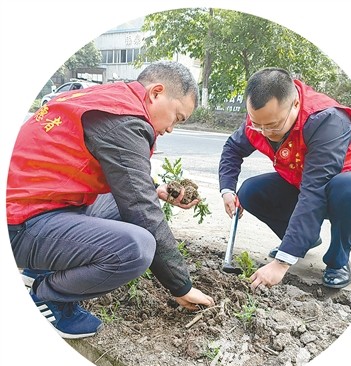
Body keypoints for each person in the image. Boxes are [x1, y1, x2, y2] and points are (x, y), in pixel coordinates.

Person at [7, 61, 214, 339]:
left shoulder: (110, 99)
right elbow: (142, 211)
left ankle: (38, 269)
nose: (171, 128)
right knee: (138, 248)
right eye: (177, 117)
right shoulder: (125, 120)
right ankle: (48, 298)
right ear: (156, 93)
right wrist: (181, 286)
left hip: (33, 203)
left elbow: (126, 180)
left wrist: (155, 189)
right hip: (18, 223)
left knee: (122, 201)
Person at [219, 67, 351, 291]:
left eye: (273, 125)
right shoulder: (261, 120)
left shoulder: (326, 120)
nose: (264, 132)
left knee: (347, 187)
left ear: (295, 105)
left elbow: (315, 189)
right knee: (250, 191)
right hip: (305, 182)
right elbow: (233, 149)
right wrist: (227, 190)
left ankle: (338, 260)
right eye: (257, 124)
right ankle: (303, 241)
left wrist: (281, 263)